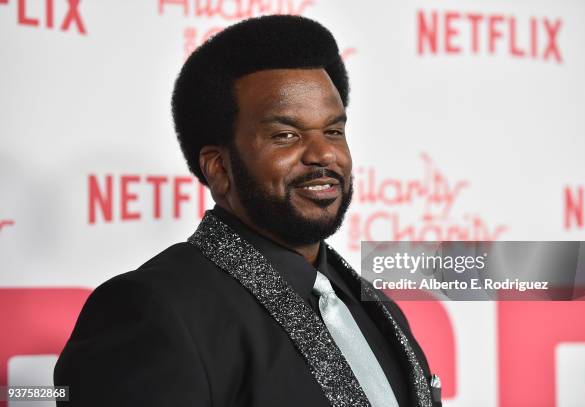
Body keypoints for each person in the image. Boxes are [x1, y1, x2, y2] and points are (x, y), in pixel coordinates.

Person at [54, 15, 441, 407]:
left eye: (333, 131)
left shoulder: (373, 307)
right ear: (219, 168)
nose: (324, 153)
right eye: (286, 135)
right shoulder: (153, 311)